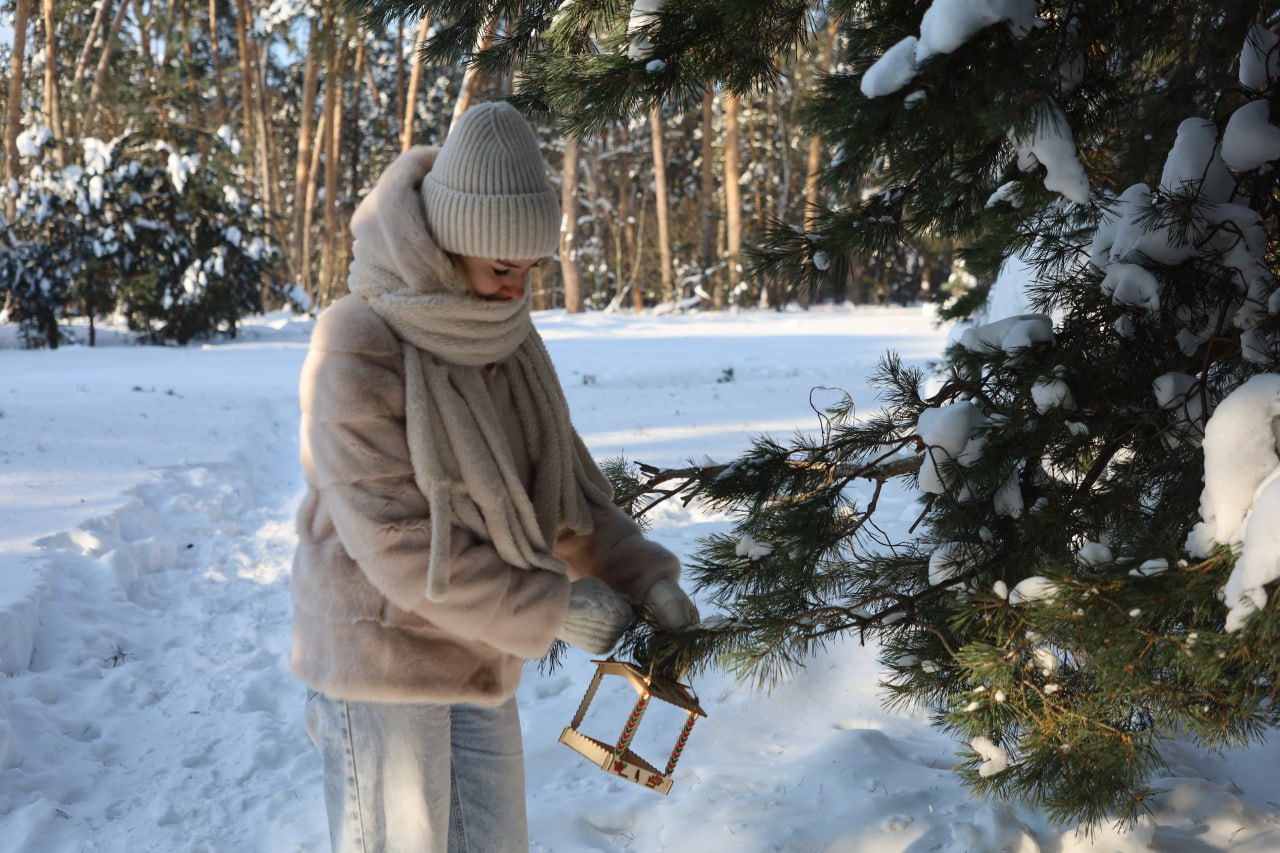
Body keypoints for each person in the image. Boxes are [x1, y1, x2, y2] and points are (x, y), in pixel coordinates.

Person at [290, 100, 700, 853]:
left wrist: (643, 578)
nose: (515, 290)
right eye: (500, 268)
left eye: (529, 269)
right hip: (381, 661)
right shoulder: (359, 340)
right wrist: (552, 608)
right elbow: (395, 542)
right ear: (449, 246)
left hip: (479, 649)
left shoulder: (508, 339)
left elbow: (561, 494)